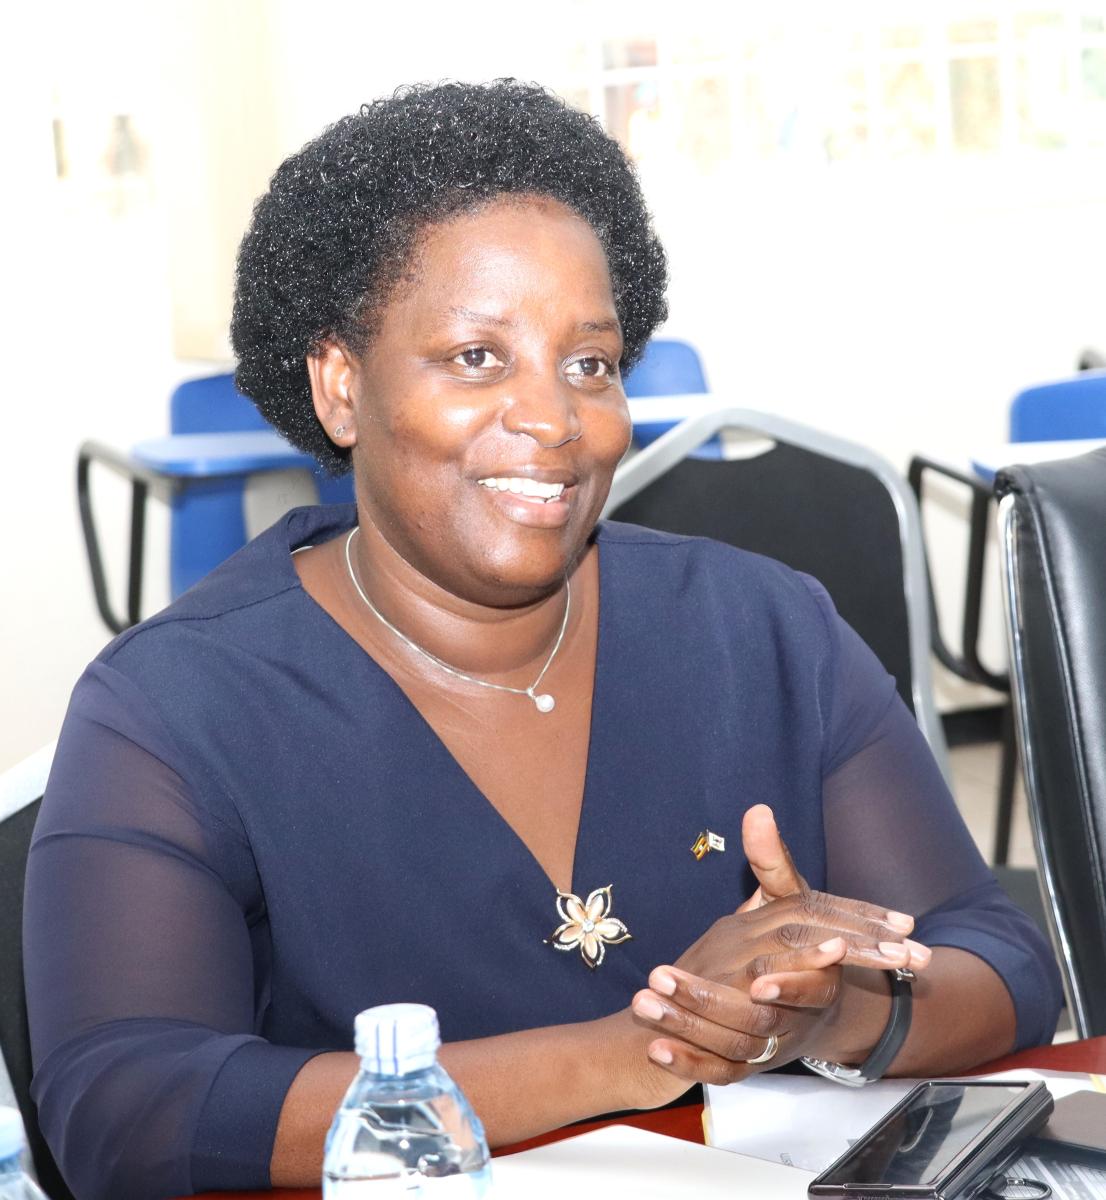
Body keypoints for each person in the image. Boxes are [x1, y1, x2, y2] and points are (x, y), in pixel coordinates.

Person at [25, 80, 1061, 1200]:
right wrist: (643, 1046)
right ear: (340, 387)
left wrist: (824, 1010)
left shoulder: (762, 630)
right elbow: (124, 1110)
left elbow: (998, 962)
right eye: (476, 357)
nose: (554, 419)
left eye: (589, 363)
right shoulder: (177, 707)